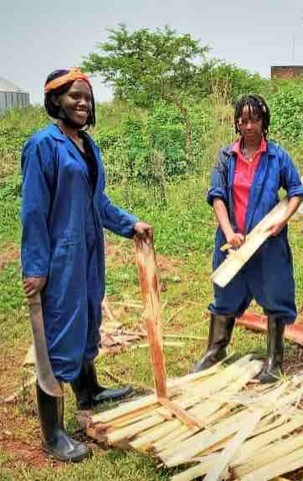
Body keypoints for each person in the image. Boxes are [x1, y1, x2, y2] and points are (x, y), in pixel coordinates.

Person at [21, 68, 152, 461]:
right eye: (74, 96)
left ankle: (89, 391)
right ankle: (53, 433)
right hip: (61, 258)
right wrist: (36, 266)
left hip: (90, 253)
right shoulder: (43, 145)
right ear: (56, 100)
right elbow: (33, 211)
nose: (82, 103)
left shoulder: (86, 145)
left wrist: (131, 225)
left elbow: (99, 203)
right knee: (58, 334)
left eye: (88, 98)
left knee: (88, 318)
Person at [192, 94, 303, 383]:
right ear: (236, 123)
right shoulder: (225, 157)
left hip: (268, 243)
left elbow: (296, 190)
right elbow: (216, 196)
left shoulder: (277, 156)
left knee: (274, 294)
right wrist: (229, 233)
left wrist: (283, 219)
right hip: (233, 242)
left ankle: (274, 360)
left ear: (264, 122)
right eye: (243, 120)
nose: (249, 126)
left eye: (255, 119)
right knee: (226, 293)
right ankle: (215, 350)